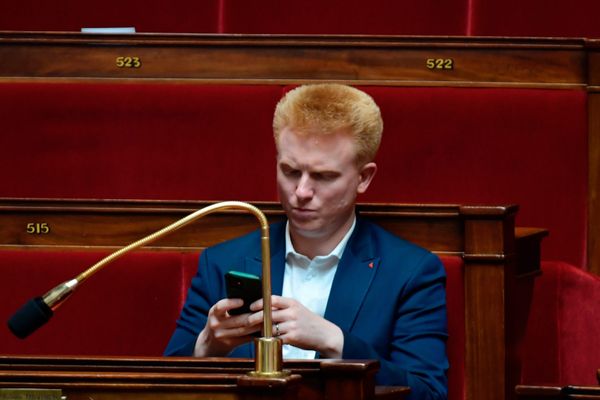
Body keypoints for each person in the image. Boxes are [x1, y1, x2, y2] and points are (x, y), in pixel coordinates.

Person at [164, 83, 448, 399]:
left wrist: (336, 342)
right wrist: (208, 346)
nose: (301, 191)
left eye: (323, 176)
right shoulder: (221, 261)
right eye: (289, 171)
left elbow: (429, 392)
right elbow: (166, 386)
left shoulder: (411, 272)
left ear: (363, 178)